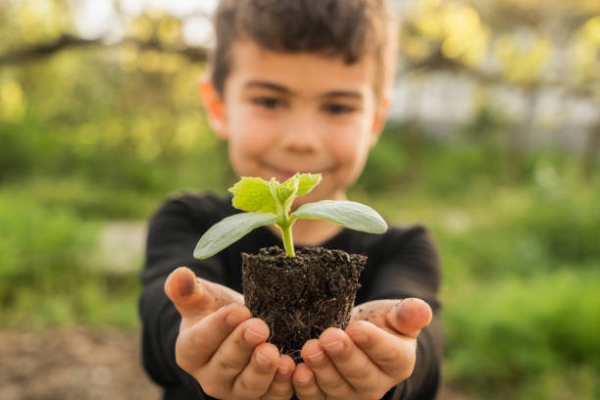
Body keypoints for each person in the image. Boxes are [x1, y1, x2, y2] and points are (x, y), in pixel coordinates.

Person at [139, 0, 443, 399]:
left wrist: (396, 364)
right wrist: (191, 340)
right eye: (269, 101)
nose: (301, 138)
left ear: (375, 121)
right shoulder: (187, 219)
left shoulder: (404, 247)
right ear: (218, 106)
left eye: (337, 107)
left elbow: (425, 351)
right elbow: (162, 323)